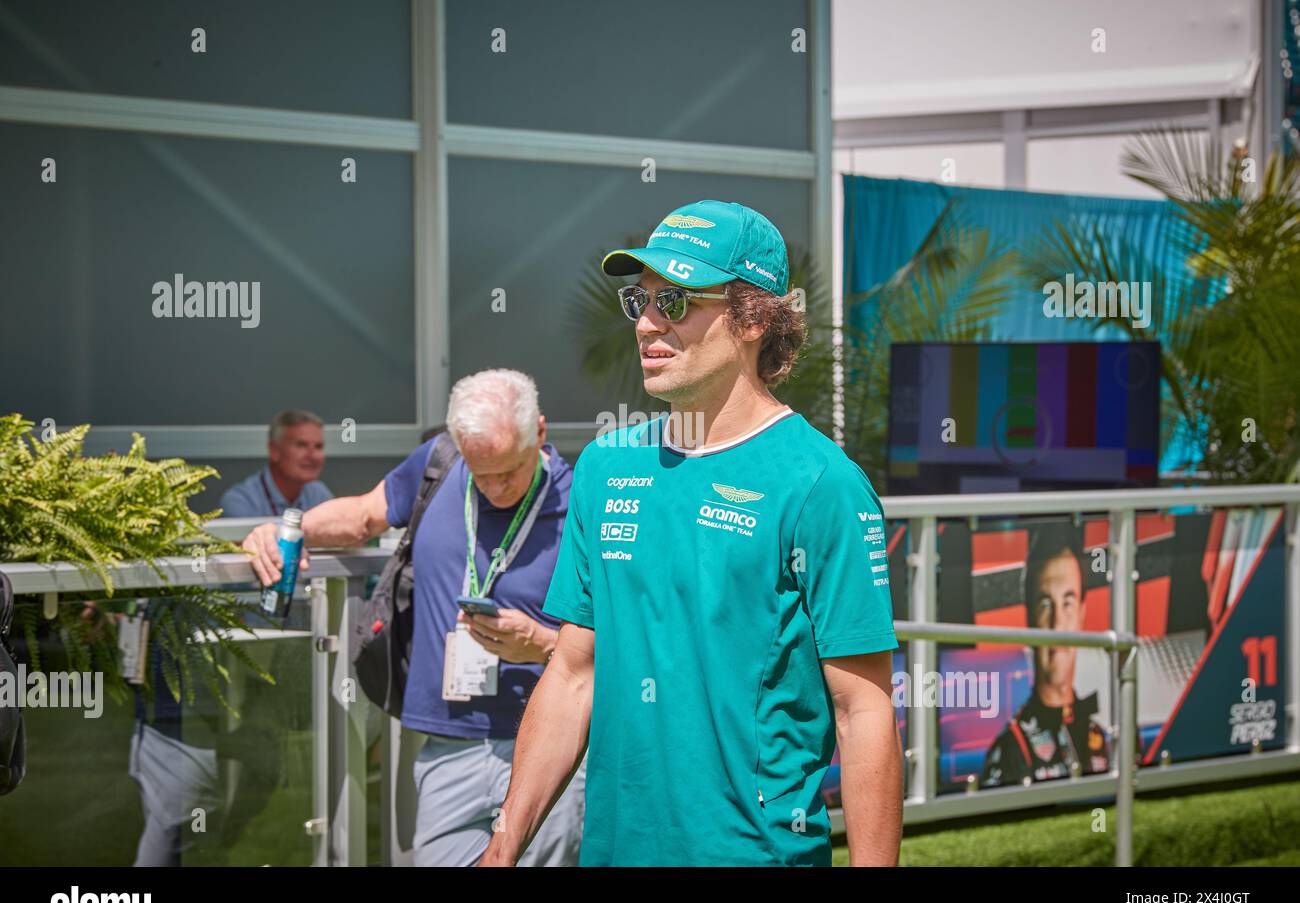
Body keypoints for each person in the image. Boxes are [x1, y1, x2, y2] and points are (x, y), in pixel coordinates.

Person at [480, 200, 902, 867]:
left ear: (756, 318)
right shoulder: (607, 466)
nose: (648, 323)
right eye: (640, 301)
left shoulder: (822, 485)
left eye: (675, 302)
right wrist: (503, 847)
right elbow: (572, 674)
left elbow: (863, 712)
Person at [241, 369, 585, 866]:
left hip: (545, 750)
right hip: (448, 742)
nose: (493, 488)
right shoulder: (439, 464)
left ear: (541, 433)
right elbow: (361, 516)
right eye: (480, 472)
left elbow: (614, 642)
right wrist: (285, 529)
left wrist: (542, 643)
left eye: (508, 470)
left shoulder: (579, 502)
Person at [982, 525, 1110, 786]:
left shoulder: (1104, 736)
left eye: (1068, 602)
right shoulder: (1009, 748)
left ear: (1083, 612)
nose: (1057, 623)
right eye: (1045, 604)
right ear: (1029, 615)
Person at [220, 410, 333, 518]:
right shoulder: (241, 501)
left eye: (318, 447)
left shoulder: (319, 494)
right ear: (274, 450)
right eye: (301, 445)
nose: (312, 455)